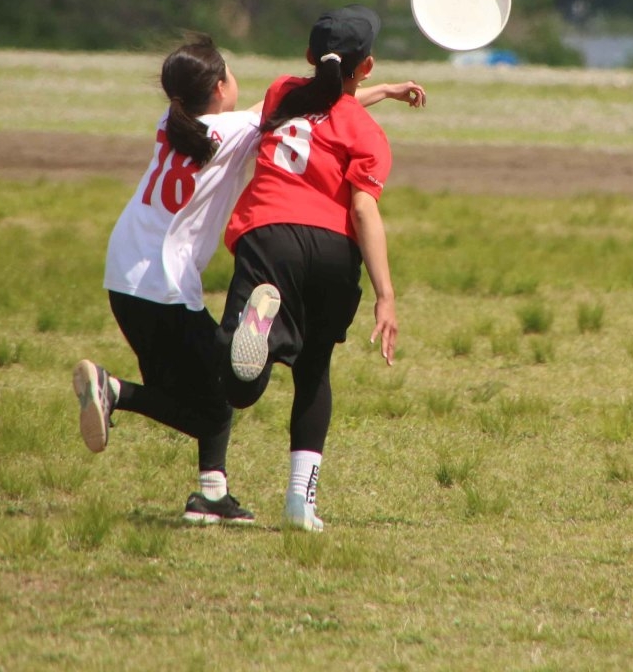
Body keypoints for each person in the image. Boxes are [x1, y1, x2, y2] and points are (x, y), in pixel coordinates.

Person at [73, 32, 424, 525]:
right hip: (166, 285)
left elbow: (304, 105)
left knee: (197, 398)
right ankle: (116, 393)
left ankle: (210, 492)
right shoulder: (236, 130)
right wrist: (381, 91)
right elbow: (314, 109)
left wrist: (381, 91)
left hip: (122, 275)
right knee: (219, 393)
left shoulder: (171, 126)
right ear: (220, 87)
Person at [219, 5, 405, 532]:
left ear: (308, 55)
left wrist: (381, 90)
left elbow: (318, 103)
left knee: (237, 384)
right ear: (365, 66)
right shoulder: (367, 134)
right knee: (314, 368)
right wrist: (386, 295)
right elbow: (363, 209)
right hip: (332, 249)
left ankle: (258, 341)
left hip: (269, 232)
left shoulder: (282, 93)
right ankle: (301, 502)